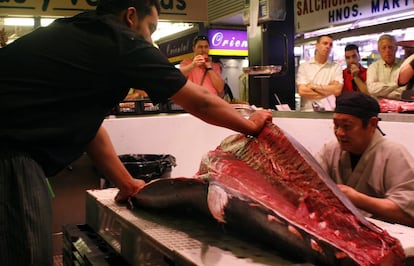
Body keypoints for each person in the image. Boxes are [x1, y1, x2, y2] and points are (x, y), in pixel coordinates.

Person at [0, 0, 272, 265]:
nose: (150, 40)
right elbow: (198, 100)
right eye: (151, 28)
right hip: (9, 154)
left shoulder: (84, 34)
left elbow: (91, 130)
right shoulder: (120, 41)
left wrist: (127, 183)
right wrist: (250, 124)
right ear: (131, 16)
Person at [315, 92, 414, 227]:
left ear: (372, 124)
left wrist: (358, 199)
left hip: (385, 237)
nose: (339, 133)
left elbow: (409, 213)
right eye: (336, 125)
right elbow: (309, 184)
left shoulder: (394, 154)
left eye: (347, 126)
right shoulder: (330, 149)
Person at [296, 34, 343, 112]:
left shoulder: (336, 67)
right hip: (308, 112)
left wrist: (313, 86)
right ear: (317, 46)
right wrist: (329, 91)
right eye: (325, 43)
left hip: (329, 112)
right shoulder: (304, 66)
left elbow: (337, 90)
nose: (328, 46)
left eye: (330, 45)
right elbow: (302, 91)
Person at [366, 34, 405, 100]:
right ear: (379, 50)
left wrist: (382, 92)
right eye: (384, 48)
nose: (387, 51)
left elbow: (406, 91)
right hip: (380, 108)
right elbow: (372, 89)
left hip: (402, 107)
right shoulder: (373, 67)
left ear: (396, 48)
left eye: (390, 47)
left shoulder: (404, 65)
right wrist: (398, 84)